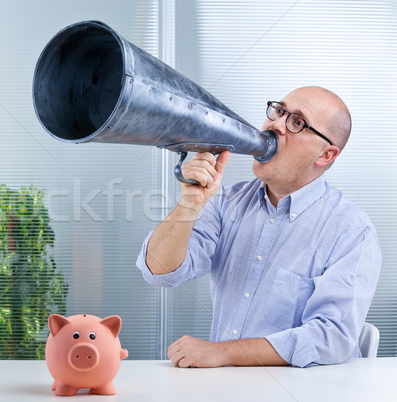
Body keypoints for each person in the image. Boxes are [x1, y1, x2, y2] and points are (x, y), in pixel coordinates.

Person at [135, 86, 382, 368]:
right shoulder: (226, 202)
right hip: (226, 389)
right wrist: (189, 205)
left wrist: (224, 352)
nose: (275, 124)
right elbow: (158, 273)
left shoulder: (351, 231)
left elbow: (330, 338)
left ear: (325, 155)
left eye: (297, 122)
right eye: (278, 111)